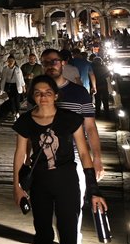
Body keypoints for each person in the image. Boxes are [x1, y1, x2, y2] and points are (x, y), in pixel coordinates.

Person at [13, 74, 108, 244]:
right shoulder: (26, 122)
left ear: (56, 95)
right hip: (40, 183)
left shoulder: (70, 120)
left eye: (47, 92)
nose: (42, 96)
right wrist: (17, 187)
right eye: (37, 92)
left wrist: (94, 190)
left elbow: (84, 154)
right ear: (32, 96)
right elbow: (19, 155)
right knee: (42, 235)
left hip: (67, 181)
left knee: (68, 234)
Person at [39, 48, 104, 200]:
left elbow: (90, 127)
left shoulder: (79, 93)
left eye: (54, 61)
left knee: (73, 201)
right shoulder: (36, 94)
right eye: (45, 63)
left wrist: (97, 158)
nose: (50, 65)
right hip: (44, 154)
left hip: (75, 154)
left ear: (63, 64)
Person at [0, 54, 25, 118]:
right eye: (9, 60)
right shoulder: (5, 69)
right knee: (11, 100)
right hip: (9, 86)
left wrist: (23, 86)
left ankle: (18, 112)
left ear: (14, 61)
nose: (11, 62)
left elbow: (21, 78)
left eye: (12, 61)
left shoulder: (17, 69)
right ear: (7, 61)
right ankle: (13, 112)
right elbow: (2, 78)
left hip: (16, 85)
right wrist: (1, 87)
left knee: (17, 99)